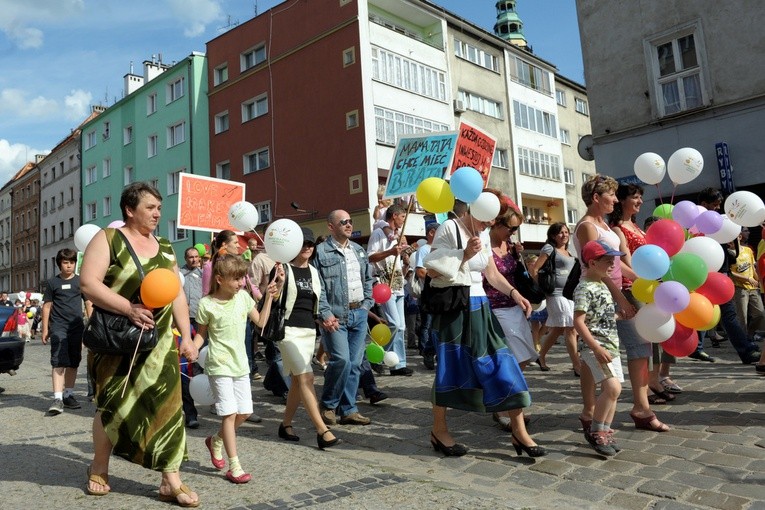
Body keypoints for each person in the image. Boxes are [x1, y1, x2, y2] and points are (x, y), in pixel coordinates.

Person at [79, 182, 200, 506]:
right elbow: (88, 283)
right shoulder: (108, 239)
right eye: (150, 207)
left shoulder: (164, 247)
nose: (157, 213)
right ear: (130, 209)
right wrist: (128, 308)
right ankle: (99, 468)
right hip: (117, 339)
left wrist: (186, 336)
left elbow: (175, 294)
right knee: (113, 404)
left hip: (158, 342)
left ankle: (169, 479)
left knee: (168, 407)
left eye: (159, 208)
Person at [424, 202, 544, 457]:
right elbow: (431, 270)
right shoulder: (449, 227)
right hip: (455, 309)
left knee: (504, 362)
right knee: (449, 368)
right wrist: (464, 254)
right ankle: (439, 430)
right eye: (484, 220)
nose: (487, 225)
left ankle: (519, 431)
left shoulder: (483, 235)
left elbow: (490, 273)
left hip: (481, 306)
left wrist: (515, 293)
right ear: (472, 210)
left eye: (491, 222)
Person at [195, 254, 282, 483]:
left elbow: (261, 323)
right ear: (220, 279)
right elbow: (200, 337)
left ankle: (215, 440)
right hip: (219, 365)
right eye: (236, 279)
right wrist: (191, 348)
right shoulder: (207, 304)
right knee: (229, 413)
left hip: (240, 364)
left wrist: (270, 298)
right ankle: (235, 466)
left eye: (242, 278)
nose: (241, 283)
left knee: (244, 412)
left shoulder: (243, 298)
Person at [572, 174, 636, 444]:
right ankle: (591, 412)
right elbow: (597, 265)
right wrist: (621, 297)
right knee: (595, 353)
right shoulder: (588, 226)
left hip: (609, 294)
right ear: (596, 197)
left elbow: (618, 264)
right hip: (601, 292)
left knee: (593, 360)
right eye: (611, 194)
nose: (615, 199)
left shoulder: (607, 225)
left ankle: (590, 413)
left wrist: (643, 280)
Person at [609, 183, 672, 430]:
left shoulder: (634, 226)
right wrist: (643, 280)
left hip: (644, 290)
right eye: (634, 197)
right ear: (622, 201)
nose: (639, 202)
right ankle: (640, 407)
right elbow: (623, 261)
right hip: (629, 289)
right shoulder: (617, 229)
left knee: (644, 350)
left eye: (640, 198)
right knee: (638, 350)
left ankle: (643, 404)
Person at [276, 227, 341, 449]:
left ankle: (285, 425)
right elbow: (271, 295)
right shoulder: (283, 269)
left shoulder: (314, 271)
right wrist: (277, 282)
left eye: (310, 244)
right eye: (303, 243)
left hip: (308, 331)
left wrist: (324, 319)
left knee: (297, 380)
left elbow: (317, 301)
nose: (307, 247)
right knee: (307, 378)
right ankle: (322, 430)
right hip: (287, 331)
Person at [314, 210, 375, 426]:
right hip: (335, 316)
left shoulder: (358, 250)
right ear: (331, 226)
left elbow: (368, 279)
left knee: (356, 364)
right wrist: (325, 312)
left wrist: (367, 303)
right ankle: (328, 404)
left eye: (350, 221)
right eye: (343, 222)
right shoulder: (320, 252)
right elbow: (318, 287)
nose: (349, 225)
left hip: (359, 312)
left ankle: (348, 410)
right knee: (341, 360)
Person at [693, 188, 761, 364]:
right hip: (710, 273)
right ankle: (746, 351)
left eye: (719, 205)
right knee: (727, 314)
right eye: (714, 205)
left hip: (720, 272)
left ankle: (697, 347)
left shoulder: (719, 222)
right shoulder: (699, 226)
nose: (717, 208)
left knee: (708, 311)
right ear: (704, 205)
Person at [573, 240, 626, 457]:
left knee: (613, 392)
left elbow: (599, 317)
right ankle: (596, 432)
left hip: (611, 344)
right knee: (612, 389)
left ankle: (605, 430)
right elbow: (579, 321)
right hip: (597, 347)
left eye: (613, 259)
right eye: (608, 260)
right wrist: (595, 347)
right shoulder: (584, 287)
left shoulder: (602, 284)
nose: (613, 264)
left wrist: (617, 316)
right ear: (593, 263)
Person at [41, 248, 92, 415]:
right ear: (59, 264)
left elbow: (89, 303)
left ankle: (68, 394)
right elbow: (47, 306)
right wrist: (45, 328)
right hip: (58, 327)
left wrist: (91, 324)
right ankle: (57, 398)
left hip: (76, 327)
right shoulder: (52, 283)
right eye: (65, 262)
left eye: (71, 262)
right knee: (58, 360)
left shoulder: (80, 282)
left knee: (73, 362)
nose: (69, 266)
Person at [367, 204, 412, 376]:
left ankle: (398, 364)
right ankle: (377, 354)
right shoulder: (378, 233)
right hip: (384, 283)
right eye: (402, 217)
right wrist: (390, 252)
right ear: (394, 216)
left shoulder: (397, 235)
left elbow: (398, 257)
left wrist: (404, 255)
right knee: (393, 323)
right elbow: (370, 257)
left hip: (398, 283)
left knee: (401, 326)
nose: (403, 221)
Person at [532, 222, 579, 375]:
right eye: (560, 232)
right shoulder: (549, 248)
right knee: (571, 328)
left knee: (559, 329)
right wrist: (543, 288)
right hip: (555, 294)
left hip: (569, 294)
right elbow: (535, 269)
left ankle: (540, 355)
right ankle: (577, 365)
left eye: (566, 232)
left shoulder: (569, 251)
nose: (564, 235)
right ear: (553, 235)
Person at [180, 246, 203, 428]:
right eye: (190, 257)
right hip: (183, 325)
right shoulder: (178, 275)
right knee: (186, 367)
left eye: (196, 257)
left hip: (202, 323)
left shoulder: (205, 274)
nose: (193, 260)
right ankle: (190, 413)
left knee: (201, 365)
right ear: (185, 258)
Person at [729, 228, 764, 337]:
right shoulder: (729, 253)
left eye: (732, 239)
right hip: (739, 288)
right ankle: (744, 342)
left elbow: (753, 267)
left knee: (760, 314)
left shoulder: (748, 250)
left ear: (739, 237)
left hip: (753, 287)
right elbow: (730, 273)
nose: (729, 242)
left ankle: (749, 335)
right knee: (742, 317)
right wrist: (747, 279)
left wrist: (758, 280)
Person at [415, 222, 439, 370]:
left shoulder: (444, 248)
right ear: (431, 233)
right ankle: (427, 351)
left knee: (438, 324)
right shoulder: (424, 249)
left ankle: (433, 350)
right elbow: (420, 271)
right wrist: (436, 277)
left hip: (443, 291)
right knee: (429, 324)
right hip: (429, 292)